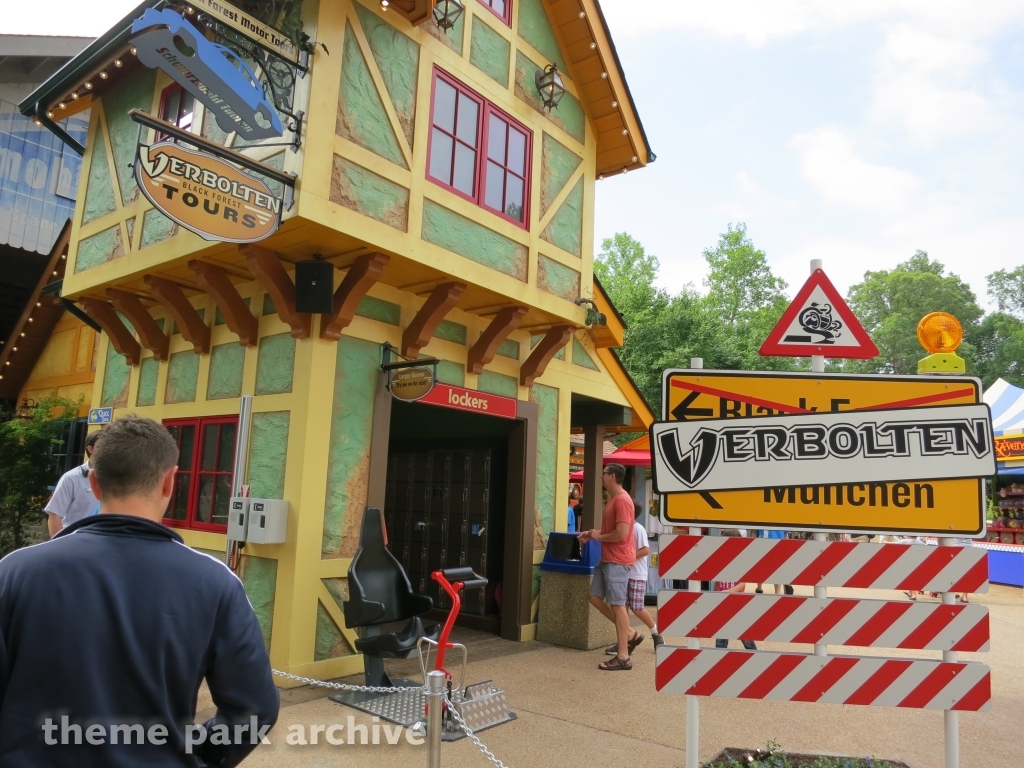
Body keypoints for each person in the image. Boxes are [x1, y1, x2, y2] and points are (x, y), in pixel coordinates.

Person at [0, 415, 279, 765]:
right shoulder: (216, 582)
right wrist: (192, 756)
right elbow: (255, 708)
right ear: (169, 482)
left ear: (95, 484)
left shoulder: (15, 570)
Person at [578, 463, 636, 671]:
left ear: (612, 476)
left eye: (603, 474)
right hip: (608, 559)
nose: (601, 477)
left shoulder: (622, 501)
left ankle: (623, 656)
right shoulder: (615, 500)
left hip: (618, 560)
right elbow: (614, 530)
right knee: (595, 597)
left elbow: (621, 533)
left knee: (618, 605)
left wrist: (600, 536)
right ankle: (629, 633)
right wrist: (594, 533)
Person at [606, 501, 662, 655]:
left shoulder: (638, 529)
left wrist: (626, 558)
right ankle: (624, 642)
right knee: (622, 610)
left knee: (637, 608)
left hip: (637, 574)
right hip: (623, 574)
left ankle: (656, 633)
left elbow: (645, 550)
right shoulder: (624, 529)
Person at [45, 429, 103, 536]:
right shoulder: (72, 478)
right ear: (90, 449)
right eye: (104, 446)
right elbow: (55, 514)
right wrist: (59, 545)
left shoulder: (117, 478)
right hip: (75, 539)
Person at [715, 529, 757, 650]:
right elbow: (717, 581)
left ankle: (754, 657)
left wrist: (728, 592)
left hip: (737, 602)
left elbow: (743, 584)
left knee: (745, 637)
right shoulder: (719, 560)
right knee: (721, 638)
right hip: (723, 602)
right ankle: (719, 660)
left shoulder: (740, 560)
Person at [755, 529, 793, 595]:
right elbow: (786, 535)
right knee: (776, 570)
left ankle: (759, 588)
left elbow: (786, 535)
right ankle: (776, 593)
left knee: (761, 566)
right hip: (777, 542)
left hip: (765, 542)